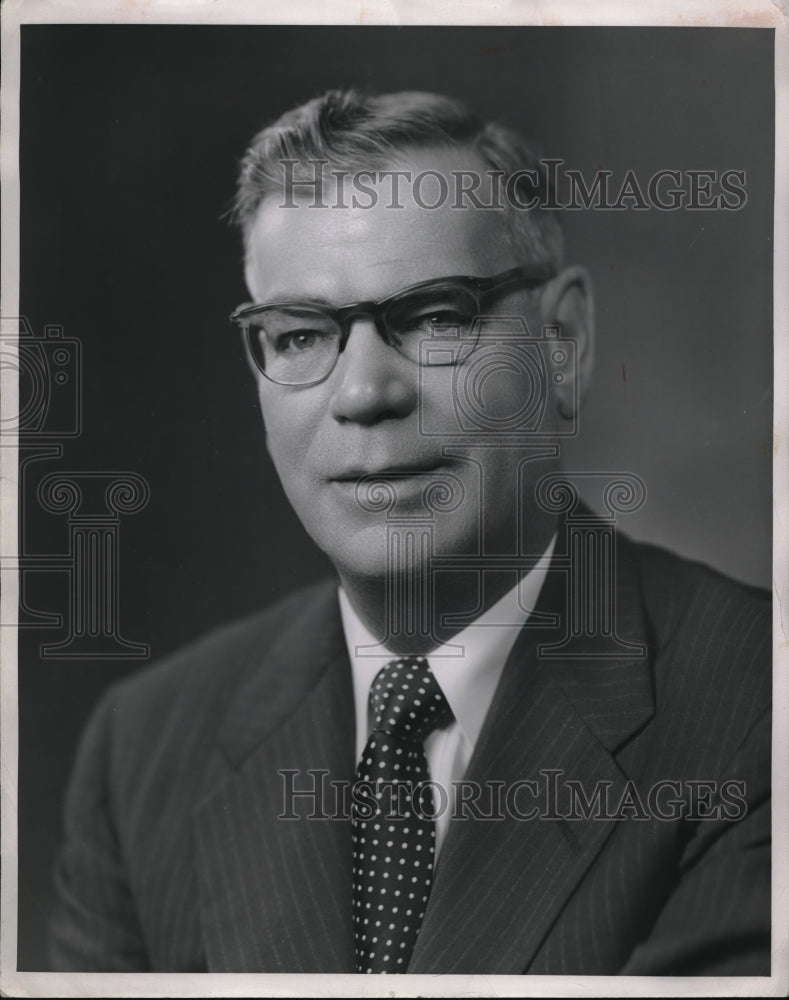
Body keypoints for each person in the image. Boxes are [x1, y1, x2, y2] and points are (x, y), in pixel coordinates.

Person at [49, 88, 771, 976]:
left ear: (563, 343)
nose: (362, 395)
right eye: (299, 334)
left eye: (436, 318)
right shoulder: (144, 749)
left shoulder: (756, 709)